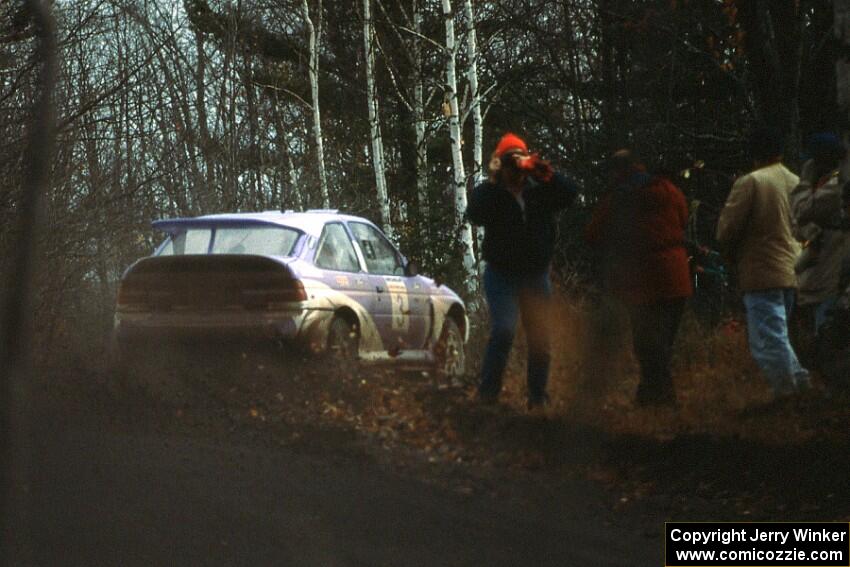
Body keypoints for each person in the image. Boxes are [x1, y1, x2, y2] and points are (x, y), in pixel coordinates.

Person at [466, 132, 579, 409]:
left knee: (540, 336)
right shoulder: (492, 194)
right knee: (504, 329)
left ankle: (537, 398)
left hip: (535, 274)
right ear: (500, 166)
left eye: (520, 163)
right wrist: (494, 181)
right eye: (510, 164)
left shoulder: (539, 189)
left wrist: (547, 175)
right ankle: (488, 393)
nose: (516, 172)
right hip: (501, 274)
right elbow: (474, 213)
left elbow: (571, 195)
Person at [585, 149, 692, 406]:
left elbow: (593, 234)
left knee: (647, 345)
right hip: (677, 277)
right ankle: (650, 398)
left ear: (616, 172)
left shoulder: (619, 197)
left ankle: (662, 400)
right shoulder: (668, 189)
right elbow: (683, 218)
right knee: (662, 344)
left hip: (643, 280)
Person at [716, 126, 811, 398]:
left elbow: (726, 230)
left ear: (754, 153)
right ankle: (802, 387)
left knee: (768, 340)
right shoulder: (795, 181)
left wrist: (731, 254)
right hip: (793, 270)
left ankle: (787, 395)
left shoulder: (751, 182)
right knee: (779, 336)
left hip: (761, 271)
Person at [790, 133, 850, 335]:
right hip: (821, 271)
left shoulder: (834, 188)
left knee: (827, 331)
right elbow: (798, 224)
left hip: (830, 275)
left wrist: (805, 181)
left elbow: (800, 210)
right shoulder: (828, 186)